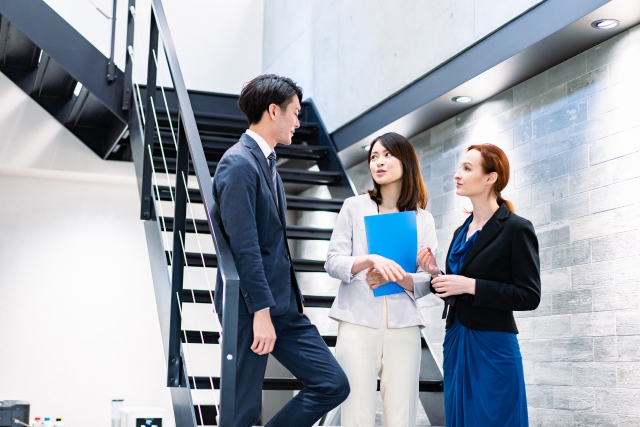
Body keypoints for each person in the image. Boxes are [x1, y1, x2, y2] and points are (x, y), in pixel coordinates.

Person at [212, 74, 349, 427]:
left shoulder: (268, 165)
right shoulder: (238, 164)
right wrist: (260, 311)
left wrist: (291, 295)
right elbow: (246, 246)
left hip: (284, 305)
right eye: (295, 113)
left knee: (333, 383)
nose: (299, 122)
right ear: (274, 111)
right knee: (241, 410)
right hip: (251, 305)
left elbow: (274, 244)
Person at [418, 143, 541, 426]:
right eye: (460, 167)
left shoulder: (517, 228)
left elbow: (529, 295)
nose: (457, 174)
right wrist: (437, 274)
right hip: (457, 340)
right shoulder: (461, 231)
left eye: (467, 168)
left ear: (491, 178)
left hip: (493, 345)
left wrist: (470, 285)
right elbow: (456, 291)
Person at [325, 132, 438, 427]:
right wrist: (368, 262)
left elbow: (428, 280)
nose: (379, 162)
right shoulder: (353, 206)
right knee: (355, 414)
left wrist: (399, 276)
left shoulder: (422, 218)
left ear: (406, 161)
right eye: (374, 156)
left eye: (387, 155)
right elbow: (333, 262)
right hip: (357, 321)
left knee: (402, 415)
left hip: (404, 325)